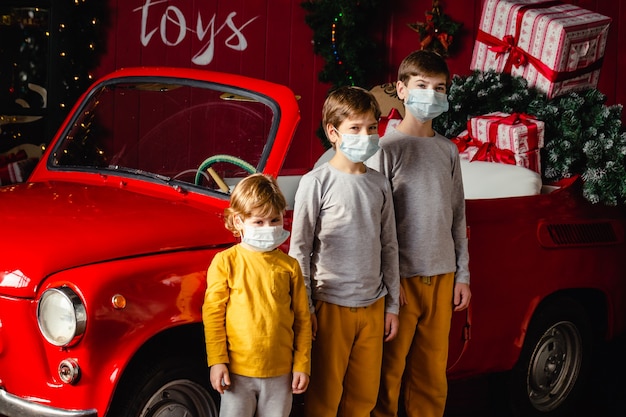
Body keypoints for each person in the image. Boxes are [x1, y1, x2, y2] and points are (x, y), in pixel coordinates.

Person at [366, 50, 472, 417]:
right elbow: (377, 226)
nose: (431, 94)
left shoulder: (448, 150)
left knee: (431, 374)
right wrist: (388, 288)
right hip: (402, 281)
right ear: (402, 88)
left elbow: (458, 217)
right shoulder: (385, 149)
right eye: (422, 85)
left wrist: (463, 275)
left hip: (442, 277)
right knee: (388, 372)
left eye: (439, 88)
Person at [288, 86, 400, 417]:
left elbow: (389, 245)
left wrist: (391, 305)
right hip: (330, 307)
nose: (365, 135)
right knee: (325, 398)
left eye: (371, 128)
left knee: (364, 398)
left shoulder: (379, 183)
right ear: (333, 132)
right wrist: (306, 308)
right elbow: (300, 251)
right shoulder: (316, 182)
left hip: (373, 306)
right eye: (355, 128)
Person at [202, 173, 312, 417]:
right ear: (239, 221)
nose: (270, 228)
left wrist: (302, 364)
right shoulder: (225, 262)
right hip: (237, 374)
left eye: (275, 220)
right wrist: (217, 360)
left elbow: (303, 319)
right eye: (259, 222)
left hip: (281, 375)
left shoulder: (289, 266)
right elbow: (213, 316)